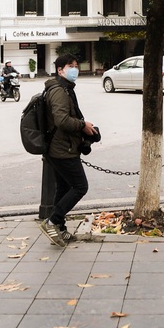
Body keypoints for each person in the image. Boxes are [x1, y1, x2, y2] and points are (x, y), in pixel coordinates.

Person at [39, 54, 97, 248]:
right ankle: (53, 221)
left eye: (76, 65)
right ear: (60, 70)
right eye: (70, 66)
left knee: (63, 188)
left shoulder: (64, 88)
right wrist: (83, 125)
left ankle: (60, 230)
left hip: (61, 147)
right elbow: (61, 120)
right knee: (80, 187)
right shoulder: (59, 91)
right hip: (62, 149)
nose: (75, 69)